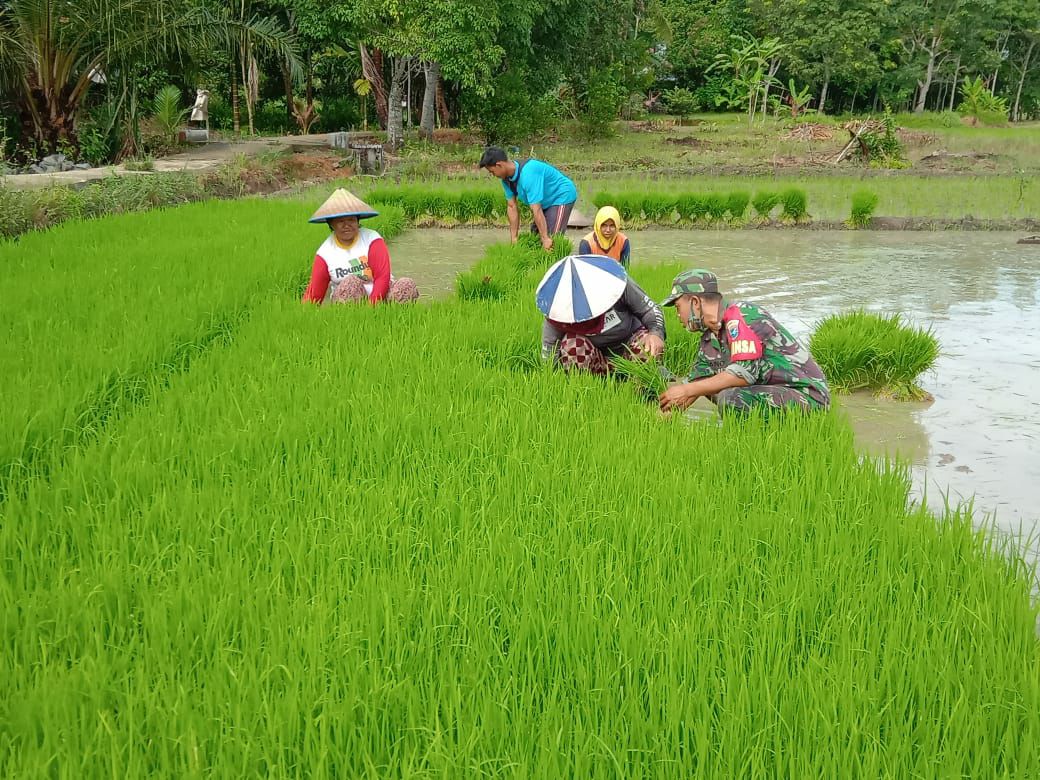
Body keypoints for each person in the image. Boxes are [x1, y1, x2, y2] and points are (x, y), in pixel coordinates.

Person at [657, 269, 830, 415]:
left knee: (730, 398)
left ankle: (764, 443)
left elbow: (743, 374)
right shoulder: (709, 340)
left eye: (678, 307)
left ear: (695, 302)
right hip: (774, 394)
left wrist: (687, 390)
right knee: (708, 387)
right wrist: (660, 419)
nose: (678, 315)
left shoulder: (742, 316)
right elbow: (696, 382)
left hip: (807, 398)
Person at [536, 254, 665, 374]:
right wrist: (550, 377)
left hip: (630, 343)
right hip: (595, 358)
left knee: (648, 346)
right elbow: (550, 349)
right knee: (571, 346)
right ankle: (590, 387)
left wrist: (656, 333)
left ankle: (640, 386)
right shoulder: (559, 311)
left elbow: (649, 309)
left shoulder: (616, 284)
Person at [302, 189, 419, 305]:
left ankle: (395, 320)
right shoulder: (325, 253)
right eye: (340, 221)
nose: (346, 225)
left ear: (358, 221)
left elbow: (382, 277)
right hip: (349, 303)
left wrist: (371, 308)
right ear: (331, 224)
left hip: (381, 296)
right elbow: (315, 293)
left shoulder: (372, 239)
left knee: (406, 284)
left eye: (351, 220)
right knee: (351, 282)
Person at [478, 146, 577, 251]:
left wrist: (545, 238)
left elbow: (536, 209)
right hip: (544, 200)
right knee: (534, 237)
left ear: (499, 165)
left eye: (492, 172)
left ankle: (554, 264)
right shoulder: (506, 180)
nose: (493, 175)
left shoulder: (528, 173)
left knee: (551, 239)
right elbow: (512, 207)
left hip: (561, 195)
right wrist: (514, 238)